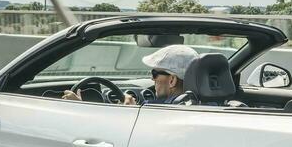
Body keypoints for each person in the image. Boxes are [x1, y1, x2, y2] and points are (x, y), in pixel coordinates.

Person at [62, 43, 197, 105]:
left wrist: (80, 106)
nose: (152, 78)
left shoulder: (157, 110)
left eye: (155, 73)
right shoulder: (209, 103)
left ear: (172, 80)